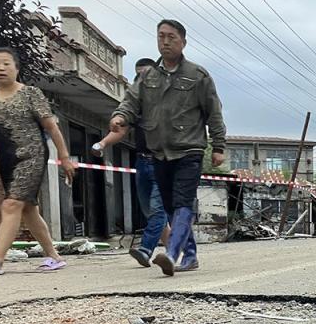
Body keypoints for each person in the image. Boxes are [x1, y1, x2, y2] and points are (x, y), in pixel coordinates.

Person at [110, 19, 226, 276]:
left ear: (183, 41)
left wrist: (218, 145)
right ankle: (191, 255)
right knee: (171, 206)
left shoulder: (198, 76)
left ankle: (172, 254)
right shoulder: (147, 77)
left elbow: (214, 112)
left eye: (171, 37)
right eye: (161, 36)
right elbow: (131, 103)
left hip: (189, 149)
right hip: (158, 152)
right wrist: (120, 117)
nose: (165, 41)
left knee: (182, 201)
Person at [0, 48, 75, 276]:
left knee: (11, 204)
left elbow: (52, 127)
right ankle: (54, 257)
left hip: (32, 155)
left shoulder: (30, 94)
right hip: (7, 160)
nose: (1, 68)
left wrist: (64, 157)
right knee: (28, 209)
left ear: (16, 68)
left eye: (6, 63)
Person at [93, 58, 170, 269]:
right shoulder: (137, 107)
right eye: (138, 75)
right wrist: (102, 143)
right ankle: (179, 252)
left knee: (157, 210)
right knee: (151, 212)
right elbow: (120, 130)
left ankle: (145, 249)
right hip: (143, 163)